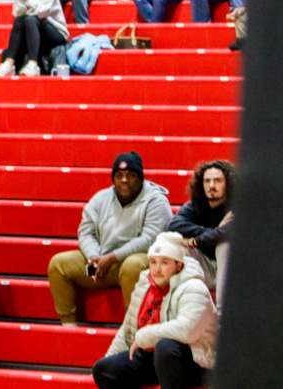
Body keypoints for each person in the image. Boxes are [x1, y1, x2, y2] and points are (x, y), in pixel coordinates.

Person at [47, 152, 173, 326]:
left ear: (141, 178)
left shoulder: (156, 201)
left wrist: (113, 257)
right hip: (102, 266)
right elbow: (86, 232)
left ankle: (136, 330)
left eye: (131, 175)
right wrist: (93, 257)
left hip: (136, 264)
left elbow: (150, 239)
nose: (124, 180)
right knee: (58, 264)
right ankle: (69, 327)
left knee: (132, 265)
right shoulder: (101, 198)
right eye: (119, 175)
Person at [92, 232, 218, 389]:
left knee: (165, 347)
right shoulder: (145, 283)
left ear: (179, 265)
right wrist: (111, 357)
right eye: (153, 262)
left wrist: (145, 335)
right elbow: (128, 326)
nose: (157, 269)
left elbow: (187, 330)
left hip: (195, 361)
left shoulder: (194, 287)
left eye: (164, 263)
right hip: (154, 357)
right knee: (104, 369)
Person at [168, 160, 235, 312]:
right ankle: (176, 309)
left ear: (228, 184)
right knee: (170, 242)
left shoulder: (236, 206)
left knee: (224, 244)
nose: (211, 185)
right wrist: (215, 232)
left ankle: (222, 312)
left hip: (233, 269)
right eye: (207, 181)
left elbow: (231, 231)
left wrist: (199, 240)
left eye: (217, 180)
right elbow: (174, 225)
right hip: (205, 266)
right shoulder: (196, 205)